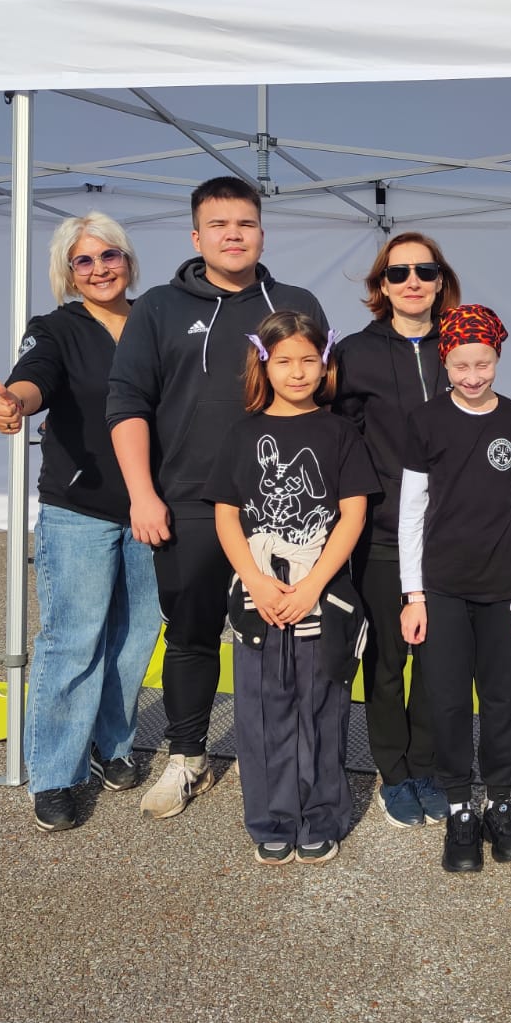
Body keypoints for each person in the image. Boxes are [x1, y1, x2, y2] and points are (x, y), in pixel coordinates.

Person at [107, 175, 328, 820]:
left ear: (262, 232)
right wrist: (142, 494)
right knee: (192, 633)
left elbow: (323, 393)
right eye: (219, 225)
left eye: (246, 224)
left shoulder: (295, 303)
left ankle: (292, 759)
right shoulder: (158, 307)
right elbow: (127, 403)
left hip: (284, 505)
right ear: (196, 235)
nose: (234, 236)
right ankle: (187, 757)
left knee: (292, 632)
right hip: (191, 500)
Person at [0, 212, 160, 833]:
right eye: (83, 260)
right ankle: (57, 774)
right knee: (73, 640)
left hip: (152, 507)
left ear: (128, 260)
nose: (98, 269)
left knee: (135, 638)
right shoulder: (55, 328)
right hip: (79, 508)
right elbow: (33, 378)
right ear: (67, 272)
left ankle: (113, 745)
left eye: (109, 255)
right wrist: (16, 403)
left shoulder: (157, 319)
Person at [204, 310, 378, 865]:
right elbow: (227, 515)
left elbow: (352, 515)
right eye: (284, 361)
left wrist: (313, 585)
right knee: (261, 710)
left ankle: (321, 816)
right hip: (258, 591)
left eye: (308, 360)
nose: (297, 372)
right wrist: (256, 581)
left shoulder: (340, 432)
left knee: (321, 707)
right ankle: (272, 819)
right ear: (264, 364)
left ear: (324, 363)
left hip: (320, 589)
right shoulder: (242, 433)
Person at [398, 305, 511, 874]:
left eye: (483, 364)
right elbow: (410, 512)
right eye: (461, 365)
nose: (472, 376)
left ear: (497, 358)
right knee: (445, 699)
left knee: (502, 698)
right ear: (445, 361)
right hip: (441, 588)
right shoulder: (425, 421)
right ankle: (460, 806)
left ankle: (501, 802)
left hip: (504, 588)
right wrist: (413, 595)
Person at [333, 232, 462, 829]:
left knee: (437, 660)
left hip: (450, 531)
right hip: (383, 532)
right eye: (399, 272)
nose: (413, 281)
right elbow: (340, 439)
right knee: (386, 661)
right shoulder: (354, 353)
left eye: (425, 271)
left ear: (440, 281)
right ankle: (395, 772)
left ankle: (427, 766)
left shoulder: (461, 343)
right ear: (381, 285)